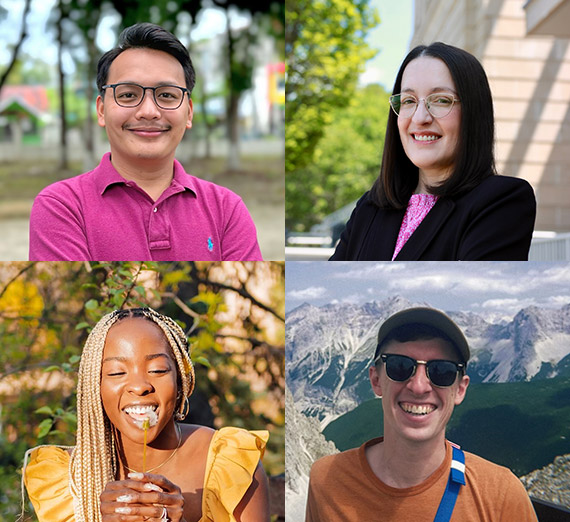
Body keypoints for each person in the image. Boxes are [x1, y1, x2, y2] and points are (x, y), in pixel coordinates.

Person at [29, 23, 262, 262]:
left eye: (167, 95)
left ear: (189, 113)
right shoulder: (62, 206)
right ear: (101, 110)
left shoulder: (226, 208)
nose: (149, 111)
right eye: (128, 94)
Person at [23, 307, 269, 522]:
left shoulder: (230, 464)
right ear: (94, 387)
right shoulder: (69, 482)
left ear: (181, 380)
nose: (140, 386)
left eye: (157, 369)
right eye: (117, 373)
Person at [305, 307, 538, 521]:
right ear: (376, 380)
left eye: (442, 371)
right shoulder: (325, 479)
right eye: (399, 366)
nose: (418, 386)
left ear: (460, 389)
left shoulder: (503, 495)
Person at [330, 42, 536, 261]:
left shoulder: (502, 201)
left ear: (473, 113)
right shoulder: (370, 207)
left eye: (441, 100)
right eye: (408, 101)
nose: (420, 118)